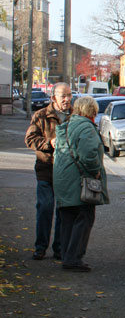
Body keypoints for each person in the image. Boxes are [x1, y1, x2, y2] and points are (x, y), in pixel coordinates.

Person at [53, 96, 109, 272]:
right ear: (91, 111)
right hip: (79, 180)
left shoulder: (68, 124)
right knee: (84, 218)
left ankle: (67, 255)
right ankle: (74, 258)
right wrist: (96, 171)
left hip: (64, 179)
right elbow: (89, 154)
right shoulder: (86, 127)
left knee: (68, 219)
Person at [25, 82, 72, 261]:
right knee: (45, 207)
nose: (67, 99)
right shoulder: (42, 115)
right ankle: (40, 247)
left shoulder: (75, 116)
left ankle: (59, 248)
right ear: (53, 98)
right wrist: (49, 144)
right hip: (46, 169)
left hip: (67, 172)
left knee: (63, 210)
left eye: (69, 95)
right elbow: (30, 139)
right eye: (63, 96)